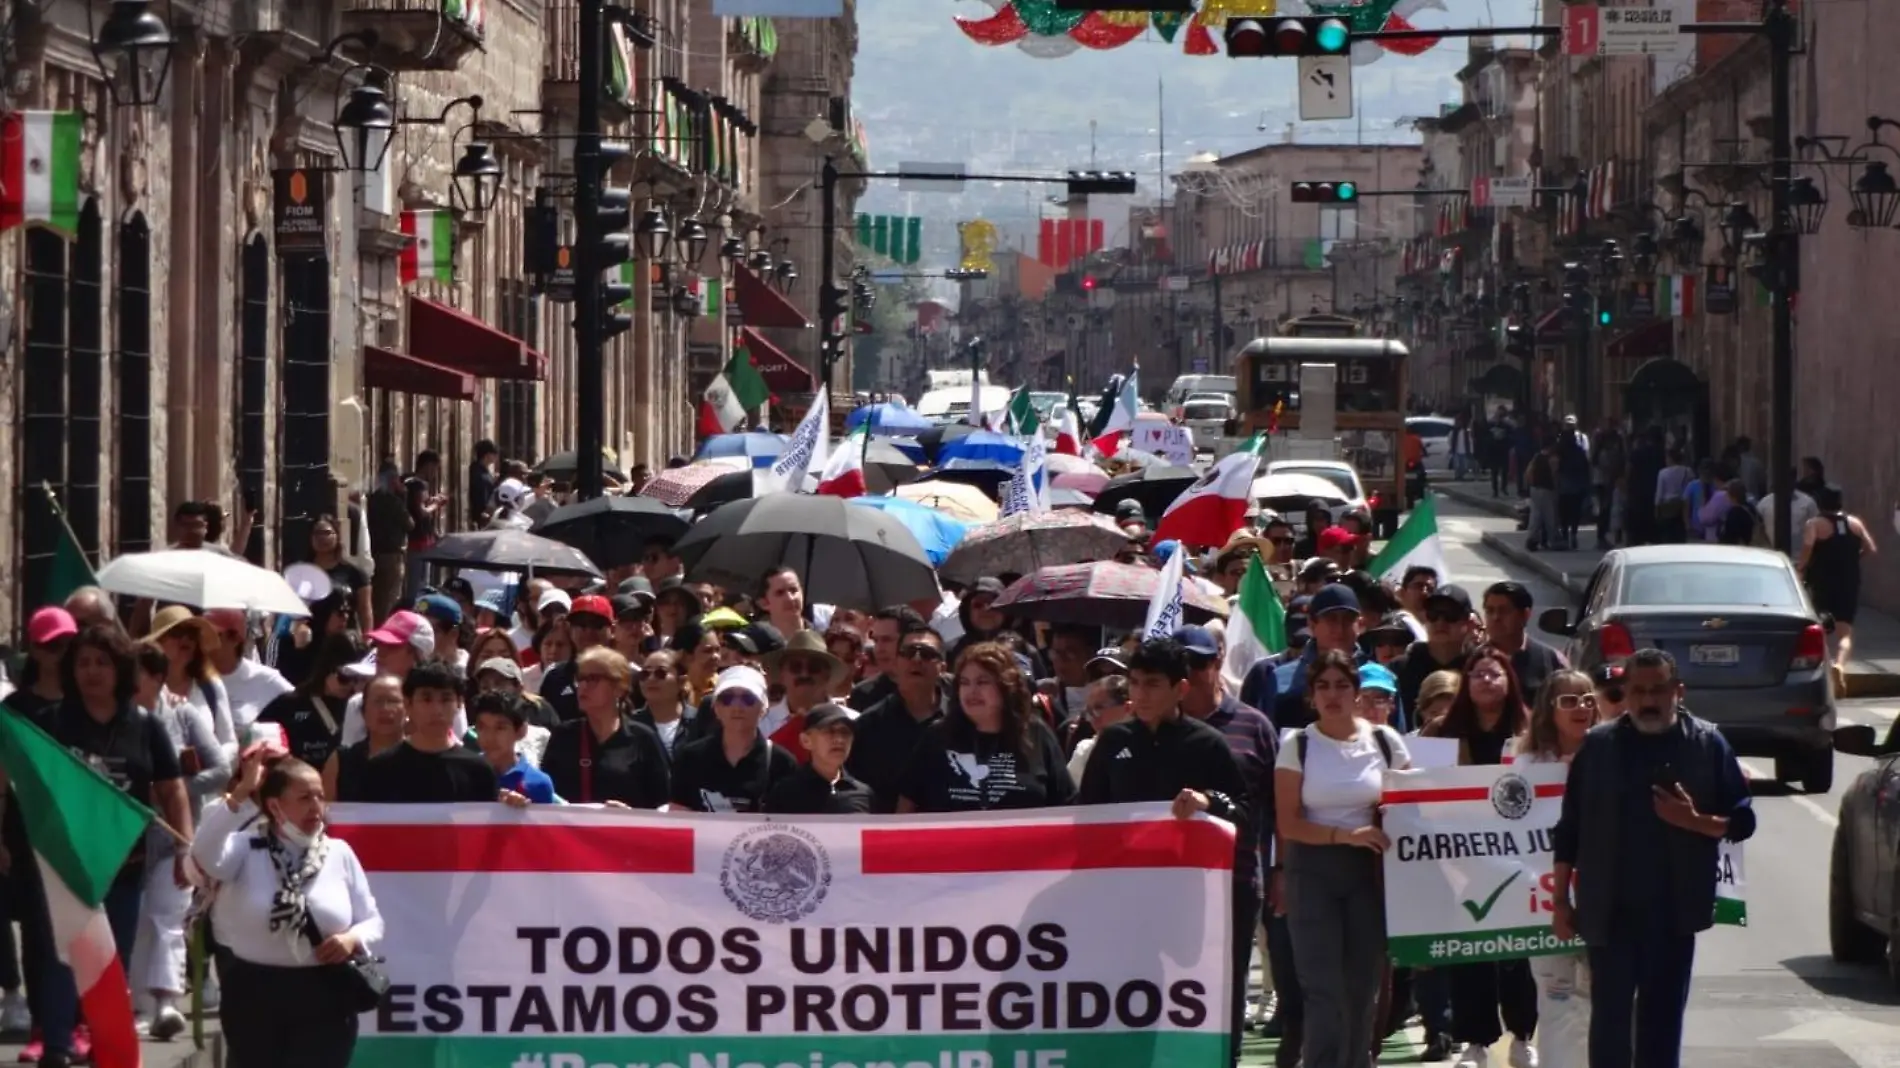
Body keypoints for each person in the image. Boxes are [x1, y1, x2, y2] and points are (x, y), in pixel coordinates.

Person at [1551, 648, 1756, 1068]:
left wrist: (1693, 820)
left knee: (1661, 1029)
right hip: (1609, 912)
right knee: (1608, 1028)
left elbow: (1742, 821)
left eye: (1658, 690)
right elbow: (1569, 829)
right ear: (1624, 693)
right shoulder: (1598, 747)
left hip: (1674, 913)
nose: (1648, 700)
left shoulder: (1705, 743)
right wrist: (1559, 902)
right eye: (1638, 690)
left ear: (1677, 691)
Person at [1075, 638, 1252, 1067]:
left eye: (1153, 684)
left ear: (1181, 688)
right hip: (1126, 903)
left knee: (1203, 1002)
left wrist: (1210, 802)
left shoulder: (1206, 744)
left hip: (1193, 903)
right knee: (1130, 1003)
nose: (1141, 693)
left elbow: (1246, 812)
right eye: (1135, 683)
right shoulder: (1112, 740)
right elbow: (1086, 819)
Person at [192, 744, 382, 1068]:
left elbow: (373, 921)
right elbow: (205, 855)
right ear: (275, 806)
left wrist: (351, 939)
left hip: (325, 994)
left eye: (320, 796)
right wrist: (240, 794)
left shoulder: (339, 852)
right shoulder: (244, 849)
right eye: (305, 798)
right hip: (253, 993)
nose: (316, 807)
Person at [1272, 648, 1411, 1068]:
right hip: (1311, 873)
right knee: (1322, 988)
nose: (1333, 695)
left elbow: (1412, 808)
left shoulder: (1386, 741)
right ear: (1311, 695)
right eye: (1323, 686)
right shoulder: (1297, 745)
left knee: (1361, 987)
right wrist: (1345, 835)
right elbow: (1289, 823)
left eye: (1342, 685)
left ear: (1357, 691)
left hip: (1369, 874)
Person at [1421, 648, 1538, 1068]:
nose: (1486, 681)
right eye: (1477, 675)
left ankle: (1523, 1035)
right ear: (1465, 685)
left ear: (1509, 682)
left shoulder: (1531, 734)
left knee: (1517, 949)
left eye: (1494, 674)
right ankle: (1476, 1043)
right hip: (1462, 859)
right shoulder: (1439, 735)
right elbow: (1419, 789)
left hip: (1518, 858)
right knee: (1471, 952)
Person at [1516, 669, 1601, 1068]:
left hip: (1607, 902)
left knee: (1608, 1006)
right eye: (1569, 700)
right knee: (1558, 1005)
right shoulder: (1526, 765)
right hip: (1546, 906)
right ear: (1550, 710)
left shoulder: (1614, 754)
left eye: (1587, 698)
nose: (1581, 707)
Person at [895, 642, 1074, 813]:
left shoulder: (1036, 733)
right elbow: (906, 807)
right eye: (964, 683)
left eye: (982, 682)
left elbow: (1067, 803)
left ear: (1006, 686)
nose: (972, 691)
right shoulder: (937, 737)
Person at [539, 647, 669, 808]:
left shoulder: (643, 739)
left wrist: (632, 816)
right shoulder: (563, 736)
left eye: (593, 679)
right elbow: (544, 796)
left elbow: (663, 806)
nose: (583, 686)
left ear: (619, 687)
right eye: (580, 679)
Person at [356, 662, 498, 804]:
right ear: (408, 704)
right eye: (426, 699)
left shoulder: (479, 771)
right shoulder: (379, 770)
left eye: (446, 699)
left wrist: (512, 807)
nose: (437, 710)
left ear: (459, 703)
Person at [670, 667, 798, 813]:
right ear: (716, 708)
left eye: (748, 699)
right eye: (727, 698)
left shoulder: (782, 762)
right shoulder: (689, 758)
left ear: (763, 707)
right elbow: (678, 817)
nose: (737, 707)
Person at [849, 625, 946, 811]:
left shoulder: (962, 720)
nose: (916, 659)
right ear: (896, 663)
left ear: (942, 667)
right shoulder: (868, 725)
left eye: (926, 653)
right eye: (909, 652)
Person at [1798, 486, 1878, 681]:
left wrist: (1801, 568)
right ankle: (1839, 665)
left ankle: (1823, 667)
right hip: (1848, 581)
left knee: (1820, 627)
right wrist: (1852, 558)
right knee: (1845, 633)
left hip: (1822, 581)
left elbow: (1808, 546)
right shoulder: (1855, 523)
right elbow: (1870, 548)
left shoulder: (1815, 524)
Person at [763, 703, 875, 814]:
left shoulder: (864, 794)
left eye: (845, 732)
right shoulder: (786, 793)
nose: (839, 739)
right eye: (829, 731)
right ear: (806, 741)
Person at [1480, 582, 1567, 702]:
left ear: (1525, 615)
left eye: (1504, 611)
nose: (1496, 617)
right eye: (1490, 611)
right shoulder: (1472, 660)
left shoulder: (1551, 660)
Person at [325, 675, 405, 803]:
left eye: (393, 701)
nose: (385, 709)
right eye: (377, 701)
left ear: (408, 709)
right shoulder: (340, 762)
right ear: (363, 712)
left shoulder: (423, 758)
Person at [471, 691, 557, 803]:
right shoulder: (465, 776)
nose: (490, 737)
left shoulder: (538, 783)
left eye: (500, 728)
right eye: (482, 727)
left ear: (521, 731)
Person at [1065, 673, 1132, 783]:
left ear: (1128, 708)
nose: (1092, 719)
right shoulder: (1085, 751)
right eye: (1089, 712)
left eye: (1099, 708)